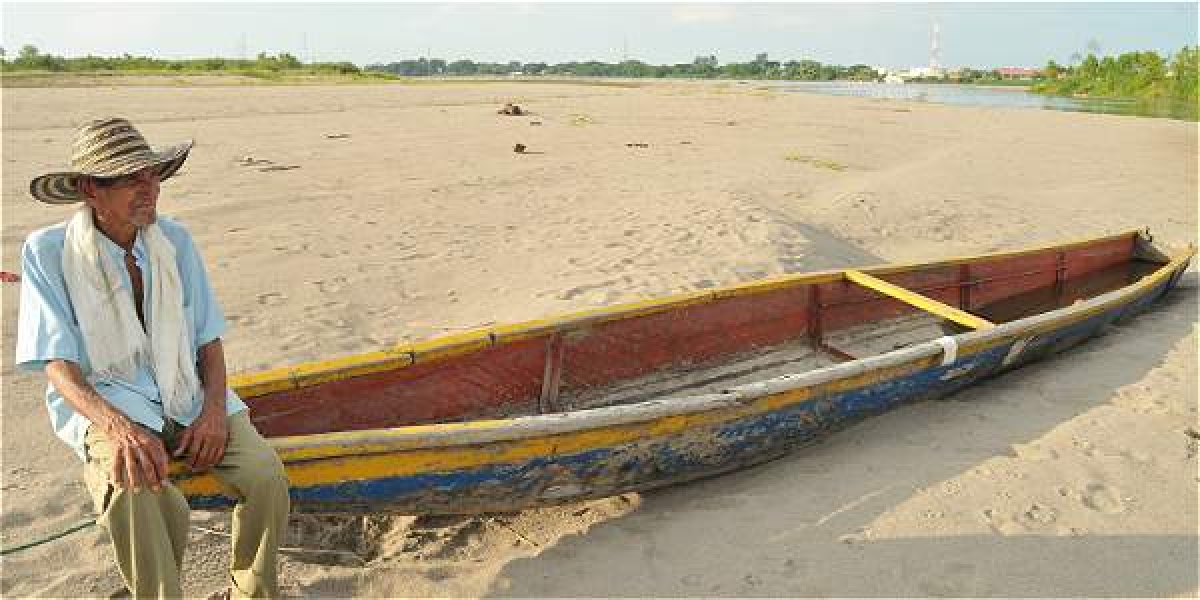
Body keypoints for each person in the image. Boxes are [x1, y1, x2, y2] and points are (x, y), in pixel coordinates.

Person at [15, 117, 290, 598]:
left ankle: (252, 592)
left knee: (266, 475)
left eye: (151, 175)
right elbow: (56, 363)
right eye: (129, 178)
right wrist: (118, 428)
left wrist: (212, 414)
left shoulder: (174, 241)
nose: (149, 190)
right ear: (89, 190)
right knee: (134, 489)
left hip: (185, 390)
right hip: (107, 400)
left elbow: (208, 338)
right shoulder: (47, 251)